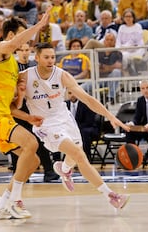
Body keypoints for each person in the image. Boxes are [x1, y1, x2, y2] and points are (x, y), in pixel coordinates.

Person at [15, 42, 130, 214]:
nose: (50, 60)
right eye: (46, 57)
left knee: (76, 152)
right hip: (44, 124)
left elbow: (87, 99)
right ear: (37, 58)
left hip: (64, 117)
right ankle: (111, 195)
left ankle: (64, 169)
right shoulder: (24, 77)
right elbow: (15, 105)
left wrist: (110, 116)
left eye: (53, 57)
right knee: (78, 154)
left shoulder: (62, 75)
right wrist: (22, 96)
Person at [0, 9, 52, 220]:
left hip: (3, 116)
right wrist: (38, 26)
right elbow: (12, 44)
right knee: (32, 143)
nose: (24, 39)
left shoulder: (14, 68)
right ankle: (10, 202)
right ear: (11, 35)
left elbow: (11, 107)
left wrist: (26, 115)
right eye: (21, 34)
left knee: (33, 161)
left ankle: (5, 203)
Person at [12, 42, 60, 182]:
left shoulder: (35, 67)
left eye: (27, 50)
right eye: (22, 49)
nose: (25, 52)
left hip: (33, 108)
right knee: (19, 143)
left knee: (39, 140)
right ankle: (19, 172)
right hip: (18, 109)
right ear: (17, 52)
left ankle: (49, 170)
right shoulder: (14, 68)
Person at [66, 91, 99, 162]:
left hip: (87, 128)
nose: (72, 95)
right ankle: (56, 160)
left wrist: (75, 128)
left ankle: (85, 158)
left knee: (84, 132)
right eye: (69, 93)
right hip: (70, 129)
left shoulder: (85, 104)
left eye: (74, 93)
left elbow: (89, 122)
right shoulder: (64, 105)